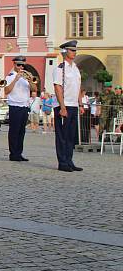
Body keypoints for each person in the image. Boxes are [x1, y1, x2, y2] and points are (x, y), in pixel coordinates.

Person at [53, 40, 83, 172]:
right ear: (65, 52)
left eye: (75, 50)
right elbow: (58, 87)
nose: (74, 52)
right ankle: (62, 162)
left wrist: (80, 104)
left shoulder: (75, 68)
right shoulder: (60, 68)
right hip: (64, 105)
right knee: (62, 136)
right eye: (72, 50)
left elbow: (78, 87)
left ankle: (69, 160)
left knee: (71, 136)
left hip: (73, 105)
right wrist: (62, 106)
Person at [4, 56, 35, 162]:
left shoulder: (26, 77)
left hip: (24, 106)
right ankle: (13, 154)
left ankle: (19, 153)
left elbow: (34, 90)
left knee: (22, 131)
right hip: (15, 106)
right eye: (19, 65)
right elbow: (7, 90)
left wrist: (30, 81)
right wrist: (16, 79)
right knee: (14, 131)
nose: (21, 67)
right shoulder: (10, 76)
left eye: (23, 65)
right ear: (14, 65)